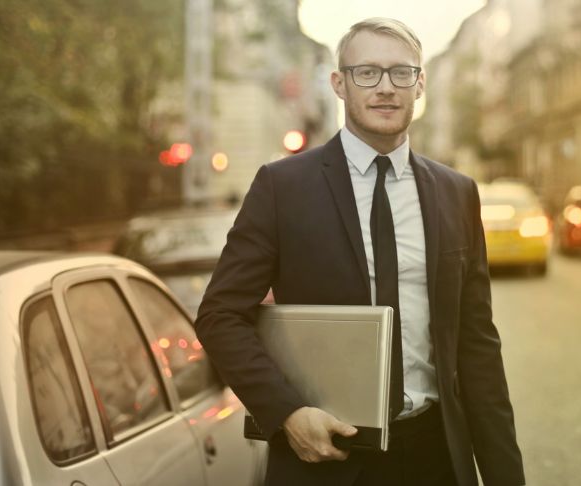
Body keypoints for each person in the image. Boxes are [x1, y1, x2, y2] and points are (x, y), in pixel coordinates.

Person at [195, 17, 525, 486]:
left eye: (401, 73)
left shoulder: (457, 193)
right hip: (325, 453)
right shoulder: (282, 187)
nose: (386, 88)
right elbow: (219, 315)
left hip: (436, 455)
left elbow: (478, 345)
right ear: (340, 84)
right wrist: (287, 413)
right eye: (367, 73)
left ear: (420, 84)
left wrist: (504, 476)